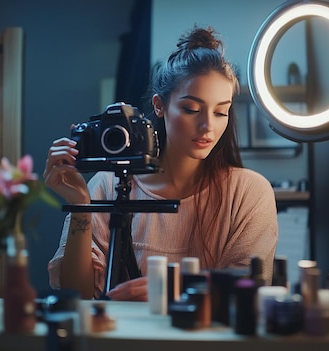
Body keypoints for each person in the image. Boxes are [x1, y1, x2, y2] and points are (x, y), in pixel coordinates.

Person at [45, 26, 278, 301]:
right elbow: (78, 293)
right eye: (191, 109)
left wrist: (175, 288)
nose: (208, 126)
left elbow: (250, 285)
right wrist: (80, 206)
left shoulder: (248, 193)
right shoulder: (108, 184)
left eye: (220, 112)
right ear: (159, 105)